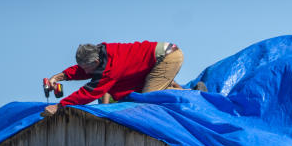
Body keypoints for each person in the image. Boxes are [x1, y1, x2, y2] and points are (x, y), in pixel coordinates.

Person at [42, 41, 185, 116]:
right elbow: (81, 70)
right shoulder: (100, 53)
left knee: (147, 100)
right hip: (154, 60)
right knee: (138, 91)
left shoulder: (111, 68)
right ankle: (183, 90)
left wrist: (59, 106)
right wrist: (59, 77)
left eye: (86, 68)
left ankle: (187, 95)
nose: (84, 72)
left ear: (96, 63)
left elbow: (90, 92)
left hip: (167, 57)